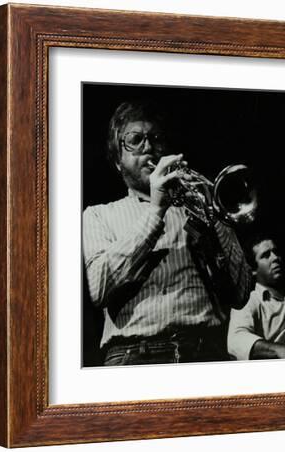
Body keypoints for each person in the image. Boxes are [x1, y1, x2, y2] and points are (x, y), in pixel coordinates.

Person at [82, 100, 252, 366]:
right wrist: (155, 211)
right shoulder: (98, 215)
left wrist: (216, 215)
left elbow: (240, 293)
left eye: (155, 138)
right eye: (135, 140)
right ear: (118, 161)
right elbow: (97, 288)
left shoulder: (196, 208)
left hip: (204, 353)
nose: (148, 146)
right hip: (133, 357)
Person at [227, 234, 285, 360]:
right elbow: (236, 340)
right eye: (266, 255)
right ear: (253, 269)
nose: (275, 258)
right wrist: (281, 350)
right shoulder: (249, 299)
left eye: (276, 252)